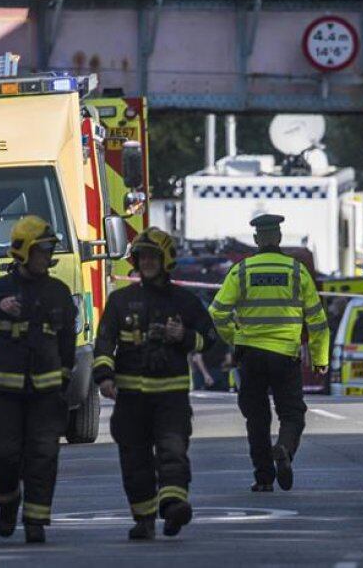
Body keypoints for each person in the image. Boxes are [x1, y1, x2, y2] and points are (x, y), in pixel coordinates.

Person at [93, 227, 217, 541]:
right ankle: (144, 519)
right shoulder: (121, 300)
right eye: (143, 256)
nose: (147, 262)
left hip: (171, 397)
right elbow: (105, 341)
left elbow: (212, 340)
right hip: (131, 398)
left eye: (153, 256)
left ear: (166, 260)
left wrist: (183, 337)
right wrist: (104, 377)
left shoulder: (185, 301)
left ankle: (174, 506)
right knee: (134, 461)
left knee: (173, 452)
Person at [208, 214, 330, 492]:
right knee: (292, 413)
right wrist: (320, 357)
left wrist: (234, 338)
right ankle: (285, 448)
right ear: (278, 238)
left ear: (256, 240)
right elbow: (317, 320)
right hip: (285, 356)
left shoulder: (242, 271)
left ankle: (263, 478)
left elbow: (216, 313)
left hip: (251, 356)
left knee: (256, 418)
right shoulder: (297, 271)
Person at [0, 215, 76, 544]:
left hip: (46, 395)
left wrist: (62, 381)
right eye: (43, 250)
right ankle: (7, 503)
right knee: (2, 454)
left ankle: (35, 521)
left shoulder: (59, 293)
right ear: (24, 252)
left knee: (43, 455)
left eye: (49, 250)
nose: (48, 256)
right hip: (3, 394)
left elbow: (67, 344)